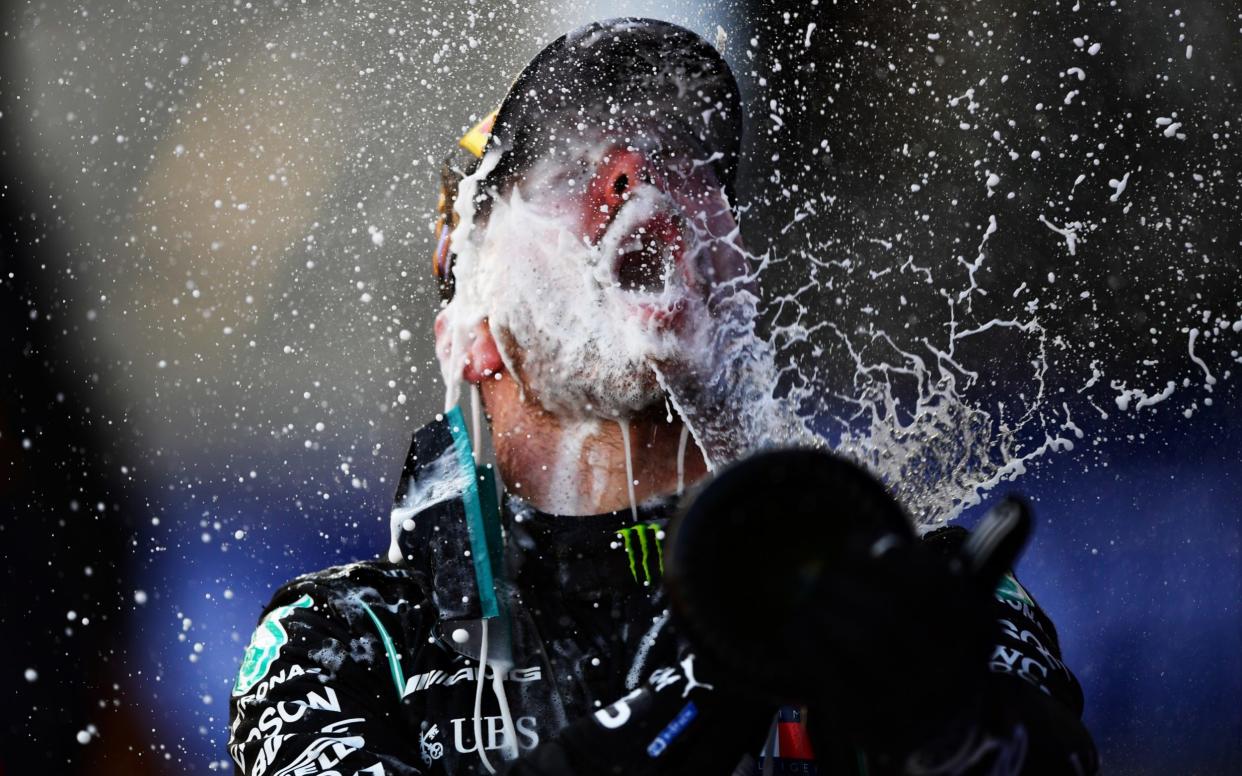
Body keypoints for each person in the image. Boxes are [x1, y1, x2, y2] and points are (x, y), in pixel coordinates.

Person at [227, 18, 1098, 775]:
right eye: (570, 164)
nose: (639, 178)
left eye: (688, 163)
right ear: (475, 330)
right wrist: (723, 683)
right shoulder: (341, 641)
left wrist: (940, 723)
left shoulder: (918, 591)